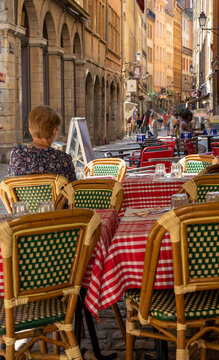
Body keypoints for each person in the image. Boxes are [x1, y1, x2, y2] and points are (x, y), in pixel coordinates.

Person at [8, 105, 77, 182]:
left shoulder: (17, 154)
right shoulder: (63, 159)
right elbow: (73, 188)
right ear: (54, 131)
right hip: (55, 194)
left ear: (30, 129)